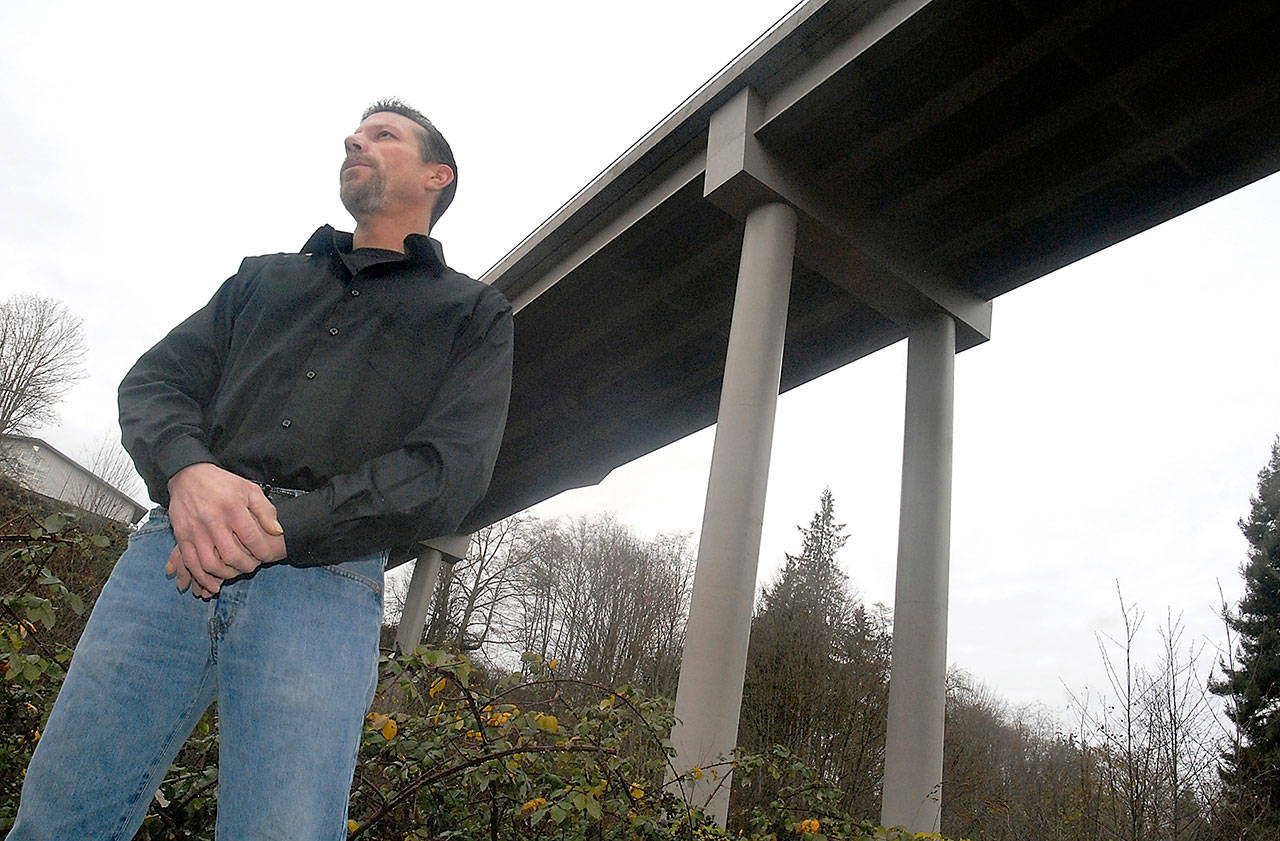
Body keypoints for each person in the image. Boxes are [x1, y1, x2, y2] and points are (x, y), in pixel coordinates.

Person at [6, 98, 513, 840]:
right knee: (59, 813)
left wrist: (285, 527)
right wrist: (187, 472)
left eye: (383, 134)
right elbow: (156, 383)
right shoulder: (259, 280)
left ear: (438, 174)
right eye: (354, 132)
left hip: (324, 585)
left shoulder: (473, 313)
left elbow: (450, 470)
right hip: (170, 554)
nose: (354, 138)